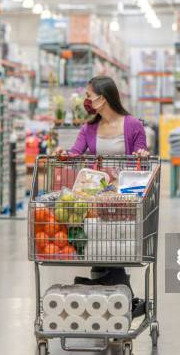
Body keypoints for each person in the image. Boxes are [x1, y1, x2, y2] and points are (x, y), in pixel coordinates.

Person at [56, 75, 148, 317]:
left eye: (89, 96)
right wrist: (63, 155)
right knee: (100, 242)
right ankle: (117, 296)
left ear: (103, 98)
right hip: (98, 197)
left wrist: (141, 153)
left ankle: (114, 294)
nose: (86, 100)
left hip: (124, 197)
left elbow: (142, 153)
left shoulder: (133, 125)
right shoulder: (89, 128)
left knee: (117, 243)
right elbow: (75, 153)